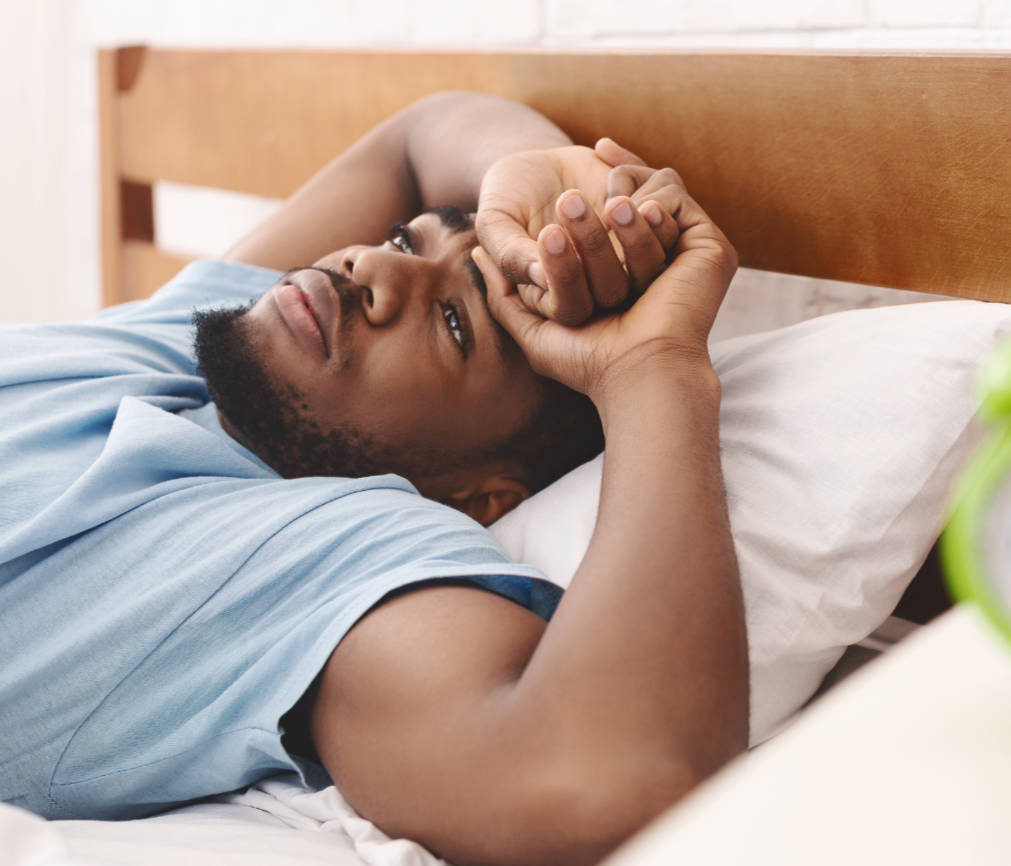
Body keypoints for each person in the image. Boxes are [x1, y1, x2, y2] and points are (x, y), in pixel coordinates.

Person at [0, 91, 746, 866]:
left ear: (481, 493)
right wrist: (546, 177)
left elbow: (605, 781)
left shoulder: (326, 557)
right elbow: (420, 137)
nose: (376, 265)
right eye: (404, 237)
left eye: (453, 323)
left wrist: (652, 372)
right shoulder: (188, 350)